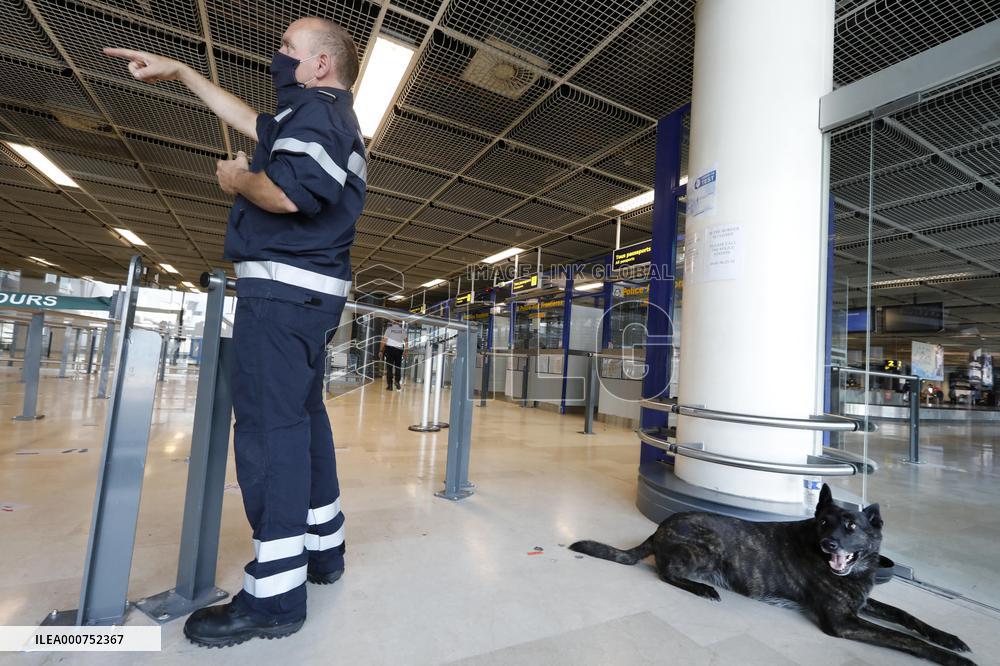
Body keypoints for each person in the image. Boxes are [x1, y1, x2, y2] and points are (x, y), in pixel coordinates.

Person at [105, 16, 365, 647]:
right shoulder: (323, 117)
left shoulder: (319, 114)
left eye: (287, 48)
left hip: (280, 299)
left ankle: (275, 599)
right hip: (307, 298)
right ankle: (323, 550)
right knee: (302, 423)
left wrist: (237, 179)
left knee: (269, 433)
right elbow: (250, 119)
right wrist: (184, 73)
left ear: (321, 65)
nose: (277, 56)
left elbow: (289, 195)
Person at [379, 319, 406, 390]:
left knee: (389, 368)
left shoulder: (389, 329)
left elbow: (384, 340)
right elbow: (406, 341)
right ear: (399, 322)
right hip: (399, 350)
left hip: (390, 350)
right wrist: (406, 351)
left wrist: (381, 351)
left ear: (393, 322)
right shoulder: (402, 330)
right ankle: (397, 381)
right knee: (398, 367)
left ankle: (390, 385)